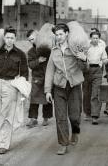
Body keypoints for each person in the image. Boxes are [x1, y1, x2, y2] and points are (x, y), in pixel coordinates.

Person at [0, 26, 28, 154]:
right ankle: (7, 126)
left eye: (11, 38)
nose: (9, 40)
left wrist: (23, 90)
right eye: (7, 37)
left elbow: (24, 73)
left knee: (6, 115)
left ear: (15, 39)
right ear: (4, 38)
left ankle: (3, 144)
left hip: (10, 84)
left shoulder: (20, 54)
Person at [44, 23, 87, 155]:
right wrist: (47, 91)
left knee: (74, 115)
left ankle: (75, 131)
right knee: (60, 116)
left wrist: (84, 59)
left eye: (61, 34)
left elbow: (85, 69)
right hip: (59, 87)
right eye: (56, 35)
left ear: (67, 33)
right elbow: (50, 71)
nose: (59, 37)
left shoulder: (74, 48)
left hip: (74, 86)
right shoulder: (54, 51)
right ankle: (63, 143)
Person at [26, 29, 53, 128]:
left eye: (32, 39)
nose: (31, 41)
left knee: (47, 97)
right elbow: (30, 65)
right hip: (37, 78)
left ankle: (46, 118)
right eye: (29, 40)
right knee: (34, 99)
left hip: (47, 77)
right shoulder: (31, 52)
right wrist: (38, 61)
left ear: (38, 36)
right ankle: (33, 119)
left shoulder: (48, 48)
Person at [84, 31, 108, 125]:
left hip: (97, 70)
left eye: (97, 38)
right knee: (86, 93)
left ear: (99, 39)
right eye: (93, 38)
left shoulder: (102, 48)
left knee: (95, 93)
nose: (95, 40)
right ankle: (87, 113)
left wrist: (104, 61)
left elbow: (105, 59)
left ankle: (95, 116)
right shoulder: (86, 47)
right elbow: (81, 58)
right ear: (90, 38)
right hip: (87, 71)